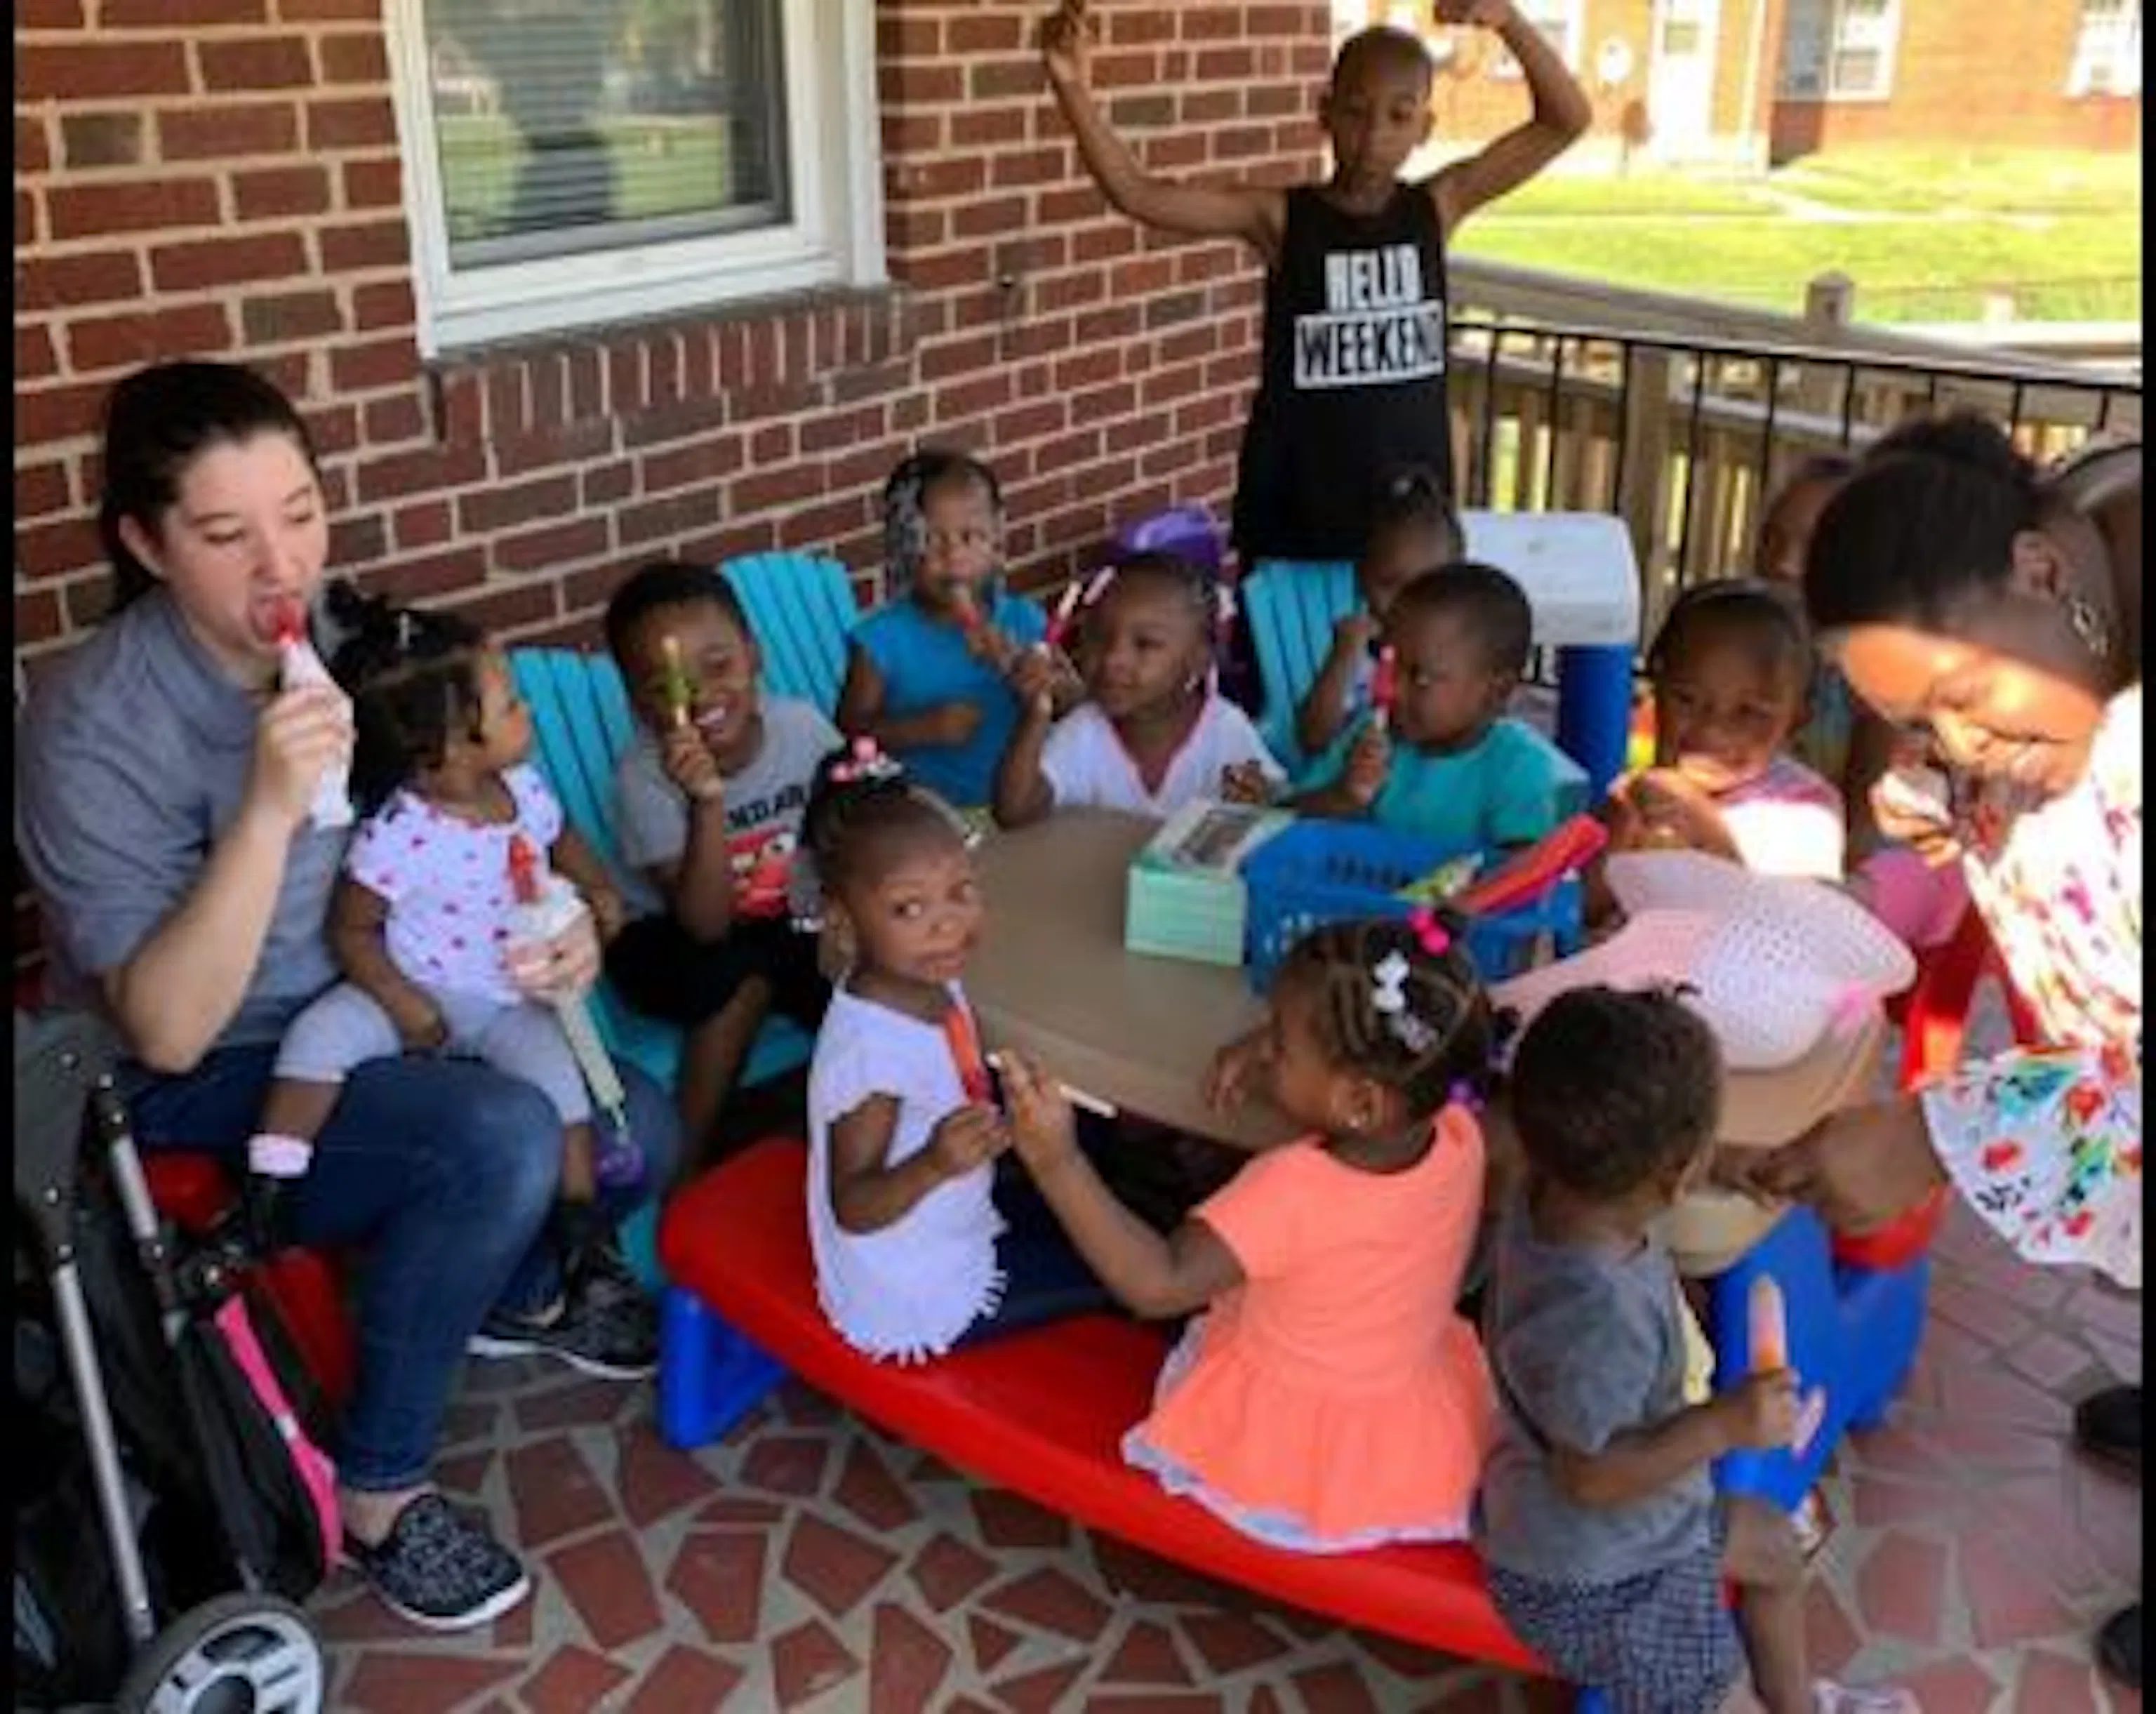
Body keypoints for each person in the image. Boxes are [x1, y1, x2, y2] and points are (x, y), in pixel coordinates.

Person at [15, 359, 679, 1630]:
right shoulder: (89, 725)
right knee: (497, 1137)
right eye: (226, 535)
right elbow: (165, 1027)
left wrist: (565, 933)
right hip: (193, 1076)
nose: (284, 568)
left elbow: (482, 815)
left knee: (633, 1128)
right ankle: (378, 1491)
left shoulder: (353, 648)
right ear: (146, 544)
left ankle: (506, 1286)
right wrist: (266, 810)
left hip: (395, 996)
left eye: (303, 514)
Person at [1730, 413, 2141, 1690]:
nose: (1958, 744)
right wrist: (1951, 804)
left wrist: (1938, 1133)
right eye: (1919, 719)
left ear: (2039, 571)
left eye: (1960, 702)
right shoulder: (2053, 609)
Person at [1479, 985, 1917, 1714]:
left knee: (1773, 1547)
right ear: (1669, 1174)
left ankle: (1799, 1707)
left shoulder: (1558, 1182)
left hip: (1644, 1524)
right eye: (1708, 1146)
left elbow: (1626, 1160)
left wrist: (1721, 1164)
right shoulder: (1592, 1318)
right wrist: (1725, 1424)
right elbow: (1590, 1476)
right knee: (1719, 1695)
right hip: (1594, 1581)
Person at [999, 914, 1499, 1551]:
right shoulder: (1459, 1132)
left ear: (1361, 1103)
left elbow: (1157, 1285)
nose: (1269, 1053)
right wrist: (1266, 1047)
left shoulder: (1291, 1191)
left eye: (1282, 1045)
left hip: (1290, 1443)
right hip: (1400, 1407)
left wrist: (1057, 1161)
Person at [1042, 0, 1587, 566]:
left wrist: (1508, 21)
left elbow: (1566, 121)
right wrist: (1071, 86)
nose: (1374, 136)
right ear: (1325, 113)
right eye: (1356, 112)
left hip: (1408, 535)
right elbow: (1138, 195)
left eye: (1399, 117)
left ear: (1425, 128)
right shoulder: (1281, 218)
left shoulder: (1437, 207)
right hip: (1295, 524)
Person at [250, 584, 639, 1262]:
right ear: (451, 747)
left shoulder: (524, 791)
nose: (528, 709)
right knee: (319, 1037)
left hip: (507, 1000)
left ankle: (582, 1235)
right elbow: (351, 930)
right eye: (510, 704)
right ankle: (272, 1187)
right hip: (414, 986)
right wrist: (402, 1003)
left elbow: (562, 839)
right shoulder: (401, 833)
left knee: (563, 1087)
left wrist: (600, 890)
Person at [799, 739, 1113, 1361]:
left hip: (949, 1205)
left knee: (1096, 1185)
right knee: (1110, 1268)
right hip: (914, 1283)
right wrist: (934, 1164)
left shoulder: (922, 971)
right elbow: (853, 1205)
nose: (947, 923)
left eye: (961, 891)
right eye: (909, 907)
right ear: (843, 922)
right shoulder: (872, 1057)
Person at [602, 561, 839, 1160]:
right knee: (738, 973)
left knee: (854, 958)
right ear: (637, 702)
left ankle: (855, 1132)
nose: (702, 697)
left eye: (718, 666)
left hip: (784, 918)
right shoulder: (644, 778)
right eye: (668, 689)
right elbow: (705, 926)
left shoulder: (802, 728)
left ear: (753, 656)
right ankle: (683, 1164)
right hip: (669, 936)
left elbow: (847, 827)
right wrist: (706, 801)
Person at [837, 450, 1079, 810]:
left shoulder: (1023, 620)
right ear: (901, 549)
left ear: (996, 540)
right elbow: (849, 732)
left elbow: (1076, 706)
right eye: (932, 540)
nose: (953, 556)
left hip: (1025, 805)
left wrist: (1042, 681)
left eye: (970, 537)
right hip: (928, 815)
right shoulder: (881, 641)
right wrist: (923, 728)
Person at [992, 551, 1284, 827]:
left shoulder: (1224, 730)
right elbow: (1015, 811)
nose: (1113, 659)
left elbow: (1277, 798)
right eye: (1100, 637)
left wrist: (1258, 795)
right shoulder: (1085, 730)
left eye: (1145, 644)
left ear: (1199, 660)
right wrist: (1036, 713)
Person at [1295, 561, 1562, 851]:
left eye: (1420, 677)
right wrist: (1344, 796)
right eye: (1389, 665)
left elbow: (1526, 866)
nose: (1393, 690)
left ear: (1496, 692)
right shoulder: (1368, 738)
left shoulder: (1516, 765)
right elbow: (1283, 816)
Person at [1604, 579, 1845, 884]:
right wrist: (1621, 826)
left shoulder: (1804, 811)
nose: (1711, 730)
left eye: (1749, 713)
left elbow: (1791, 909)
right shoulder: (1638, 791)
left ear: (1797, 721)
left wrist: (1706, 829)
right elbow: (1583, 898)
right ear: (1657, 688)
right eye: (1687, 700)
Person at [1294, 465, 1467, 758]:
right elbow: (1312, 739)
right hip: (1349, 779)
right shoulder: (1358, 654)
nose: (1406, 601)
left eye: (1425, 587)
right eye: (1390, 584)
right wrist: (1343, 657)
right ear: (1363, 581)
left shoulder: (1459, 654)